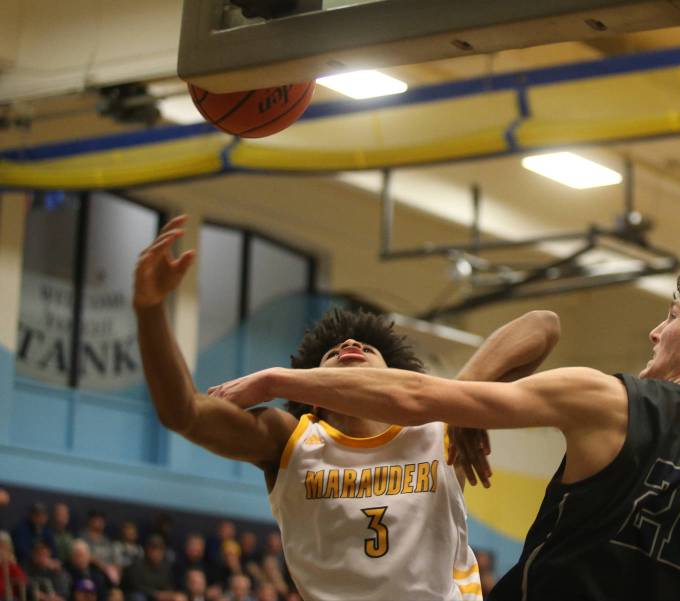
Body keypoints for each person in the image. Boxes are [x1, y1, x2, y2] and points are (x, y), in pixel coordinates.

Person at [211, 255, 680, 601]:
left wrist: (281, 380)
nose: (656, 326)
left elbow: (413, 394)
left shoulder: (606, 399)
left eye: (671, 315)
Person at [132, 215, 559, 601]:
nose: (350, 346)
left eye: (366, 347)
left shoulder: (438, 428)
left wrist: (464, 402)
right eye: (334, 353)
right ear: (315, 389)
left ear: (394, 378)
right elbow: (181, 412)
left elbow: (542, 325)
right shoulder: (290, 440)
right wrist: (150, 309)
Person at [120, 536, 175, 601]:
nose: (156, 553)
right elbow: (136, 587)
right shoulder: (137, 565)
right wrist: (155, 594)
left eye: (160, 550)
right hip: (139, 595)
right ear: (147, 550)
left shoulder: (165, 566)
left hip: (158, 596)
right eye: (153, 549)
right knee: (138, 598)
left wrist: (169, 593)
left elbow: (168, 584)